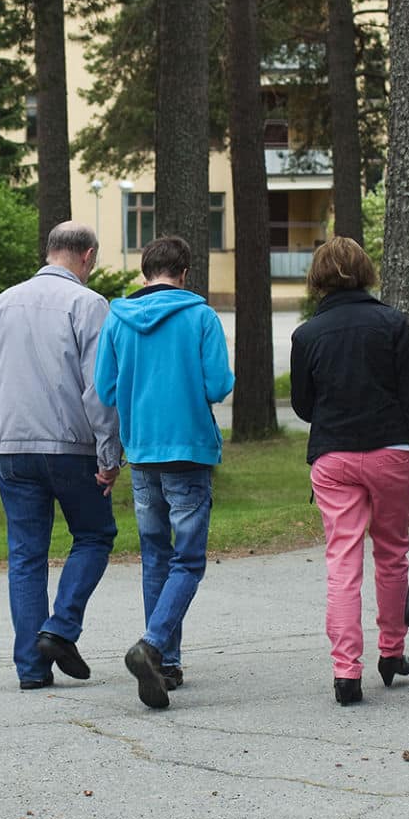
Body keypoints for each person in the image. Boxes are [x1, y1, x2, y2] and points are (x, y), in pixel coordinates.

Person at [0, 221, 124, 691]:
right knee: (95, 535)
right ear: (88, 257)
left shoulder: (2, 302)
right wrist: (109, 453)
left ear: (50, 251)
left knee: (26, 556)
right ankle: (60, 627)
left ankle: (31, 668)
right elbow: (100, 387)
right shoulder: (88, 304)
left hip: (11, 449)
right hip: (70, 447)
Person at [288, 236, 409, 706]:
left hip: (334, 457)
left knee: (342, 561)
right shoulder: (391, 323)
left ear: (318, 278)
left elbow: (302, 406)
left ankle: (345, 672)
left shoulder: (306, 335)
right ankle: (392, 651)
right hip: (392, 453)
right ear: (365, 270)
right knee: (393, 554)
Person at [94, 236, 234, 710]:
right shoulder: (200, 317)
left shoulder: (118, 319)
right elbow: (218, 384)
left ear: (143, 273)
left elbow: (105, 389)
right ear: (185, 272)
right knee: (189, 560)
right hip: (189, 449)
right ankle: (153, 645)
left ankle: (167, 662)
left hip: (142, 450)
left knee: (155, 556)